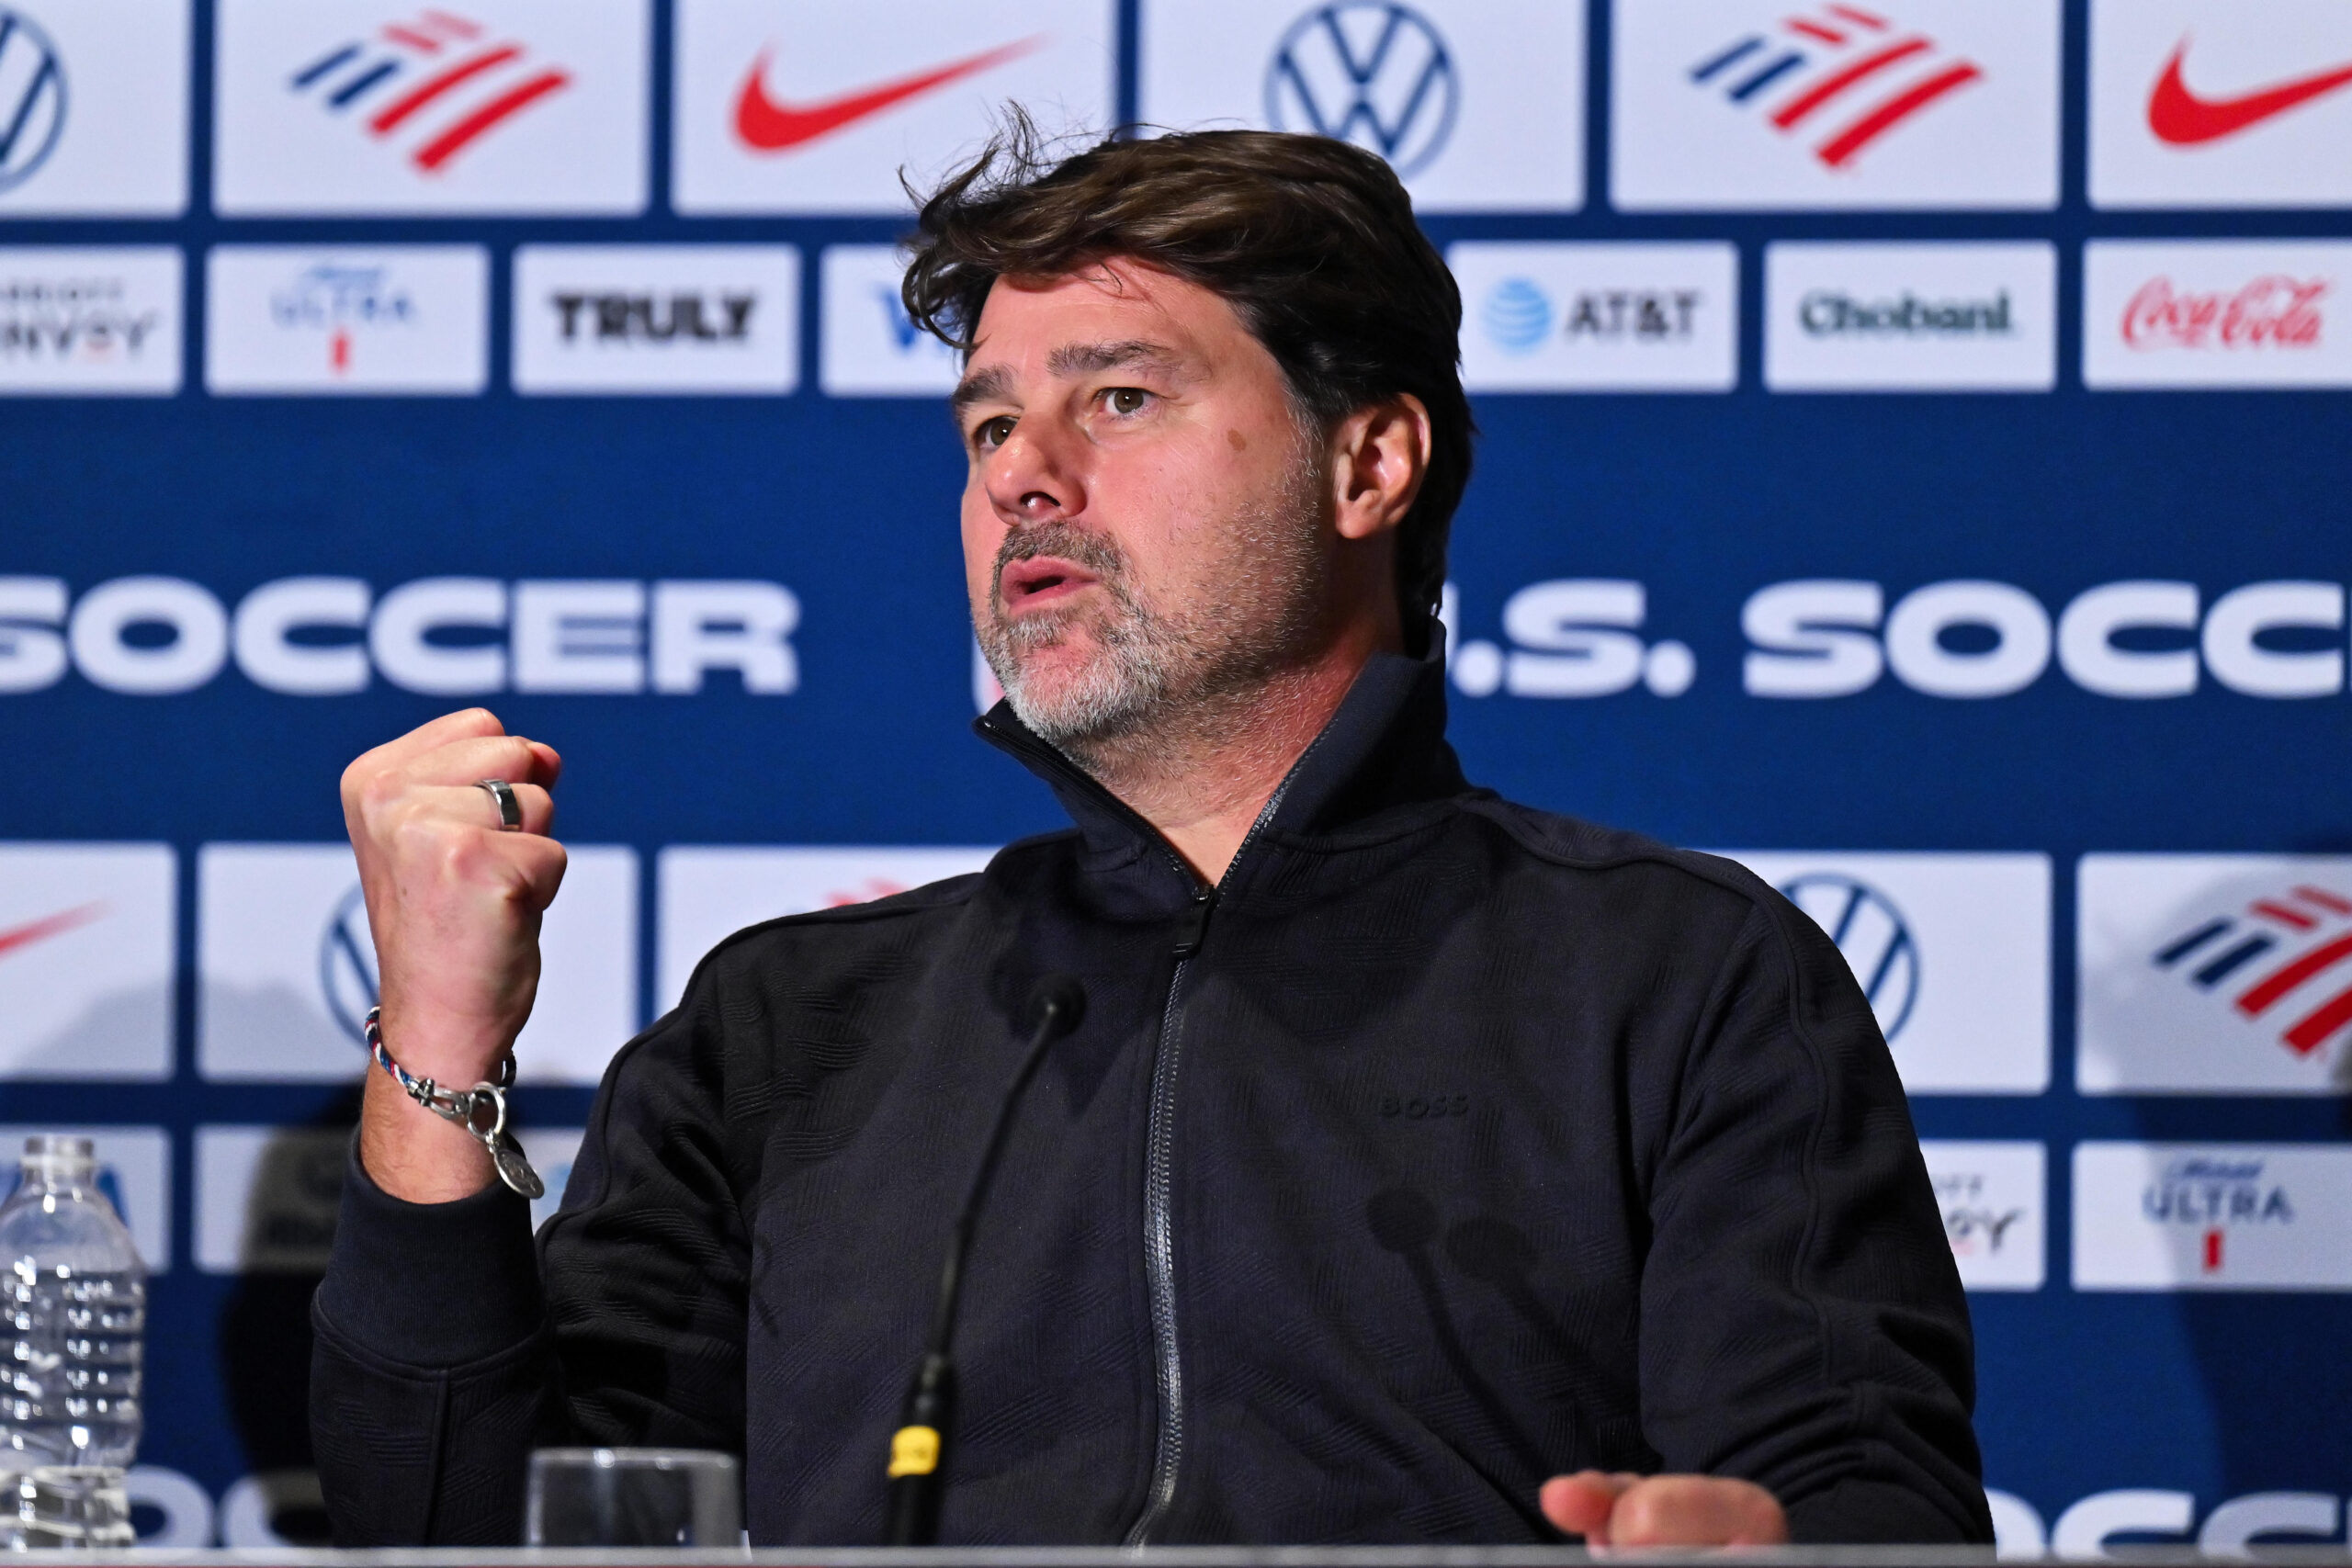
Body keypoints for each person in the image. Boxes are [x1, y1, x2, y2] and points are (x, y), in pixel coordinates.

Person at [311, 126, 1991, 1548]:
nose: (1024, 475)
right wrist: (441, 1043)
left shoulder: (1676, 977)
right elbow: (459, 1535)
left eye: (1117, 398)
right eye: (986, 427)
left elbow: (1856, 1498)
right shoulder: (789, 1024)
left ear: (1372, 461)